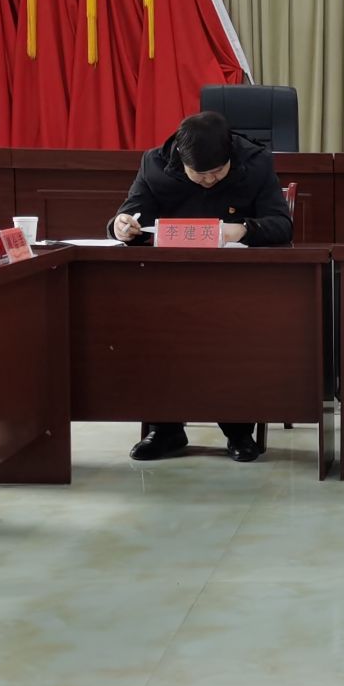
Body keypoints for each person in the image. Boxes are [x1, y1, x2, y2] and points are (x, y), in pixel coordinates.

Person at [111, 109, 293, 463]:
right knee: (148, 328)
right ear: (181, 159)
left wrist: (245, 229)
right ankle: (165, 428)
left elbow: (282, 225)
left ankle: (238, 430)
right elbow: (130, 215)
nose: (209, 180)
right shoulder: (154, 163)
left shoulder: (255, 163)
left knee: (232, 331)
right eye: (200, 174)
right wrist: (121, 226)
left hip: (235, 283)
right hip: (169, 282)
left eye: (217, 172)